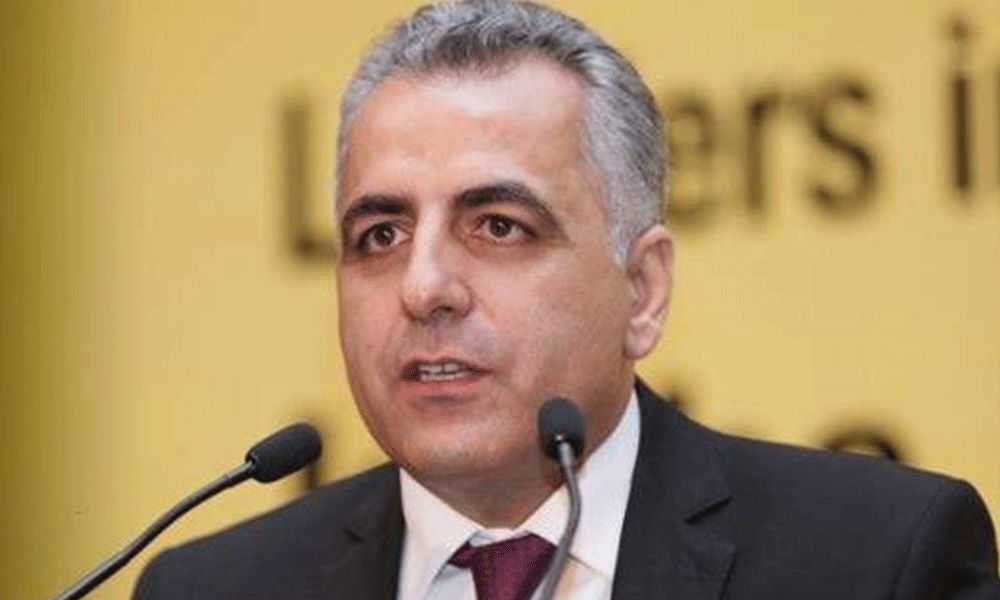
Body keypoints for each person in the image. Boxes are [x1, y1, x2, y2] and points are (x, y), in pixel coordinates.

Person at [133, 1, 1000, 599]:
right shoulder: (208, 589)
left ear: (643, 290)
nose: (424, 287)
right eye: (381, 235)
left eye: (498, 226)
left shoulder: (878, 562)